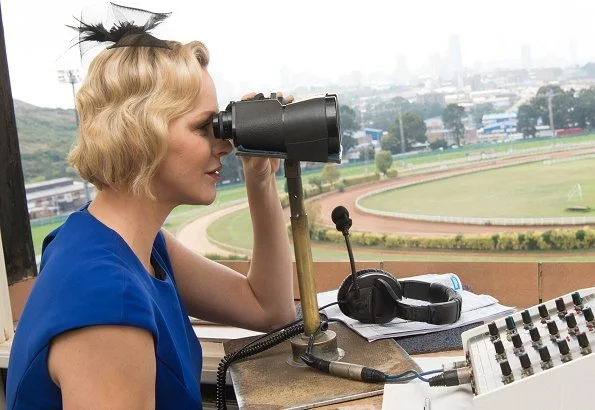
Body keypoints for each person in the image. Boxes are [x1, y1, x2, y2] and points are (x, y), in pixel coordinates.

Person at [6, 5, 296, 409]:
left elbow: (269, 308)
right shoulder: (107, 302)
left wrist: (260, 177)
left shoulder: (129, 246)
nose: (225, 144)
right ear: (141, 133)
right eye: (204, 127)